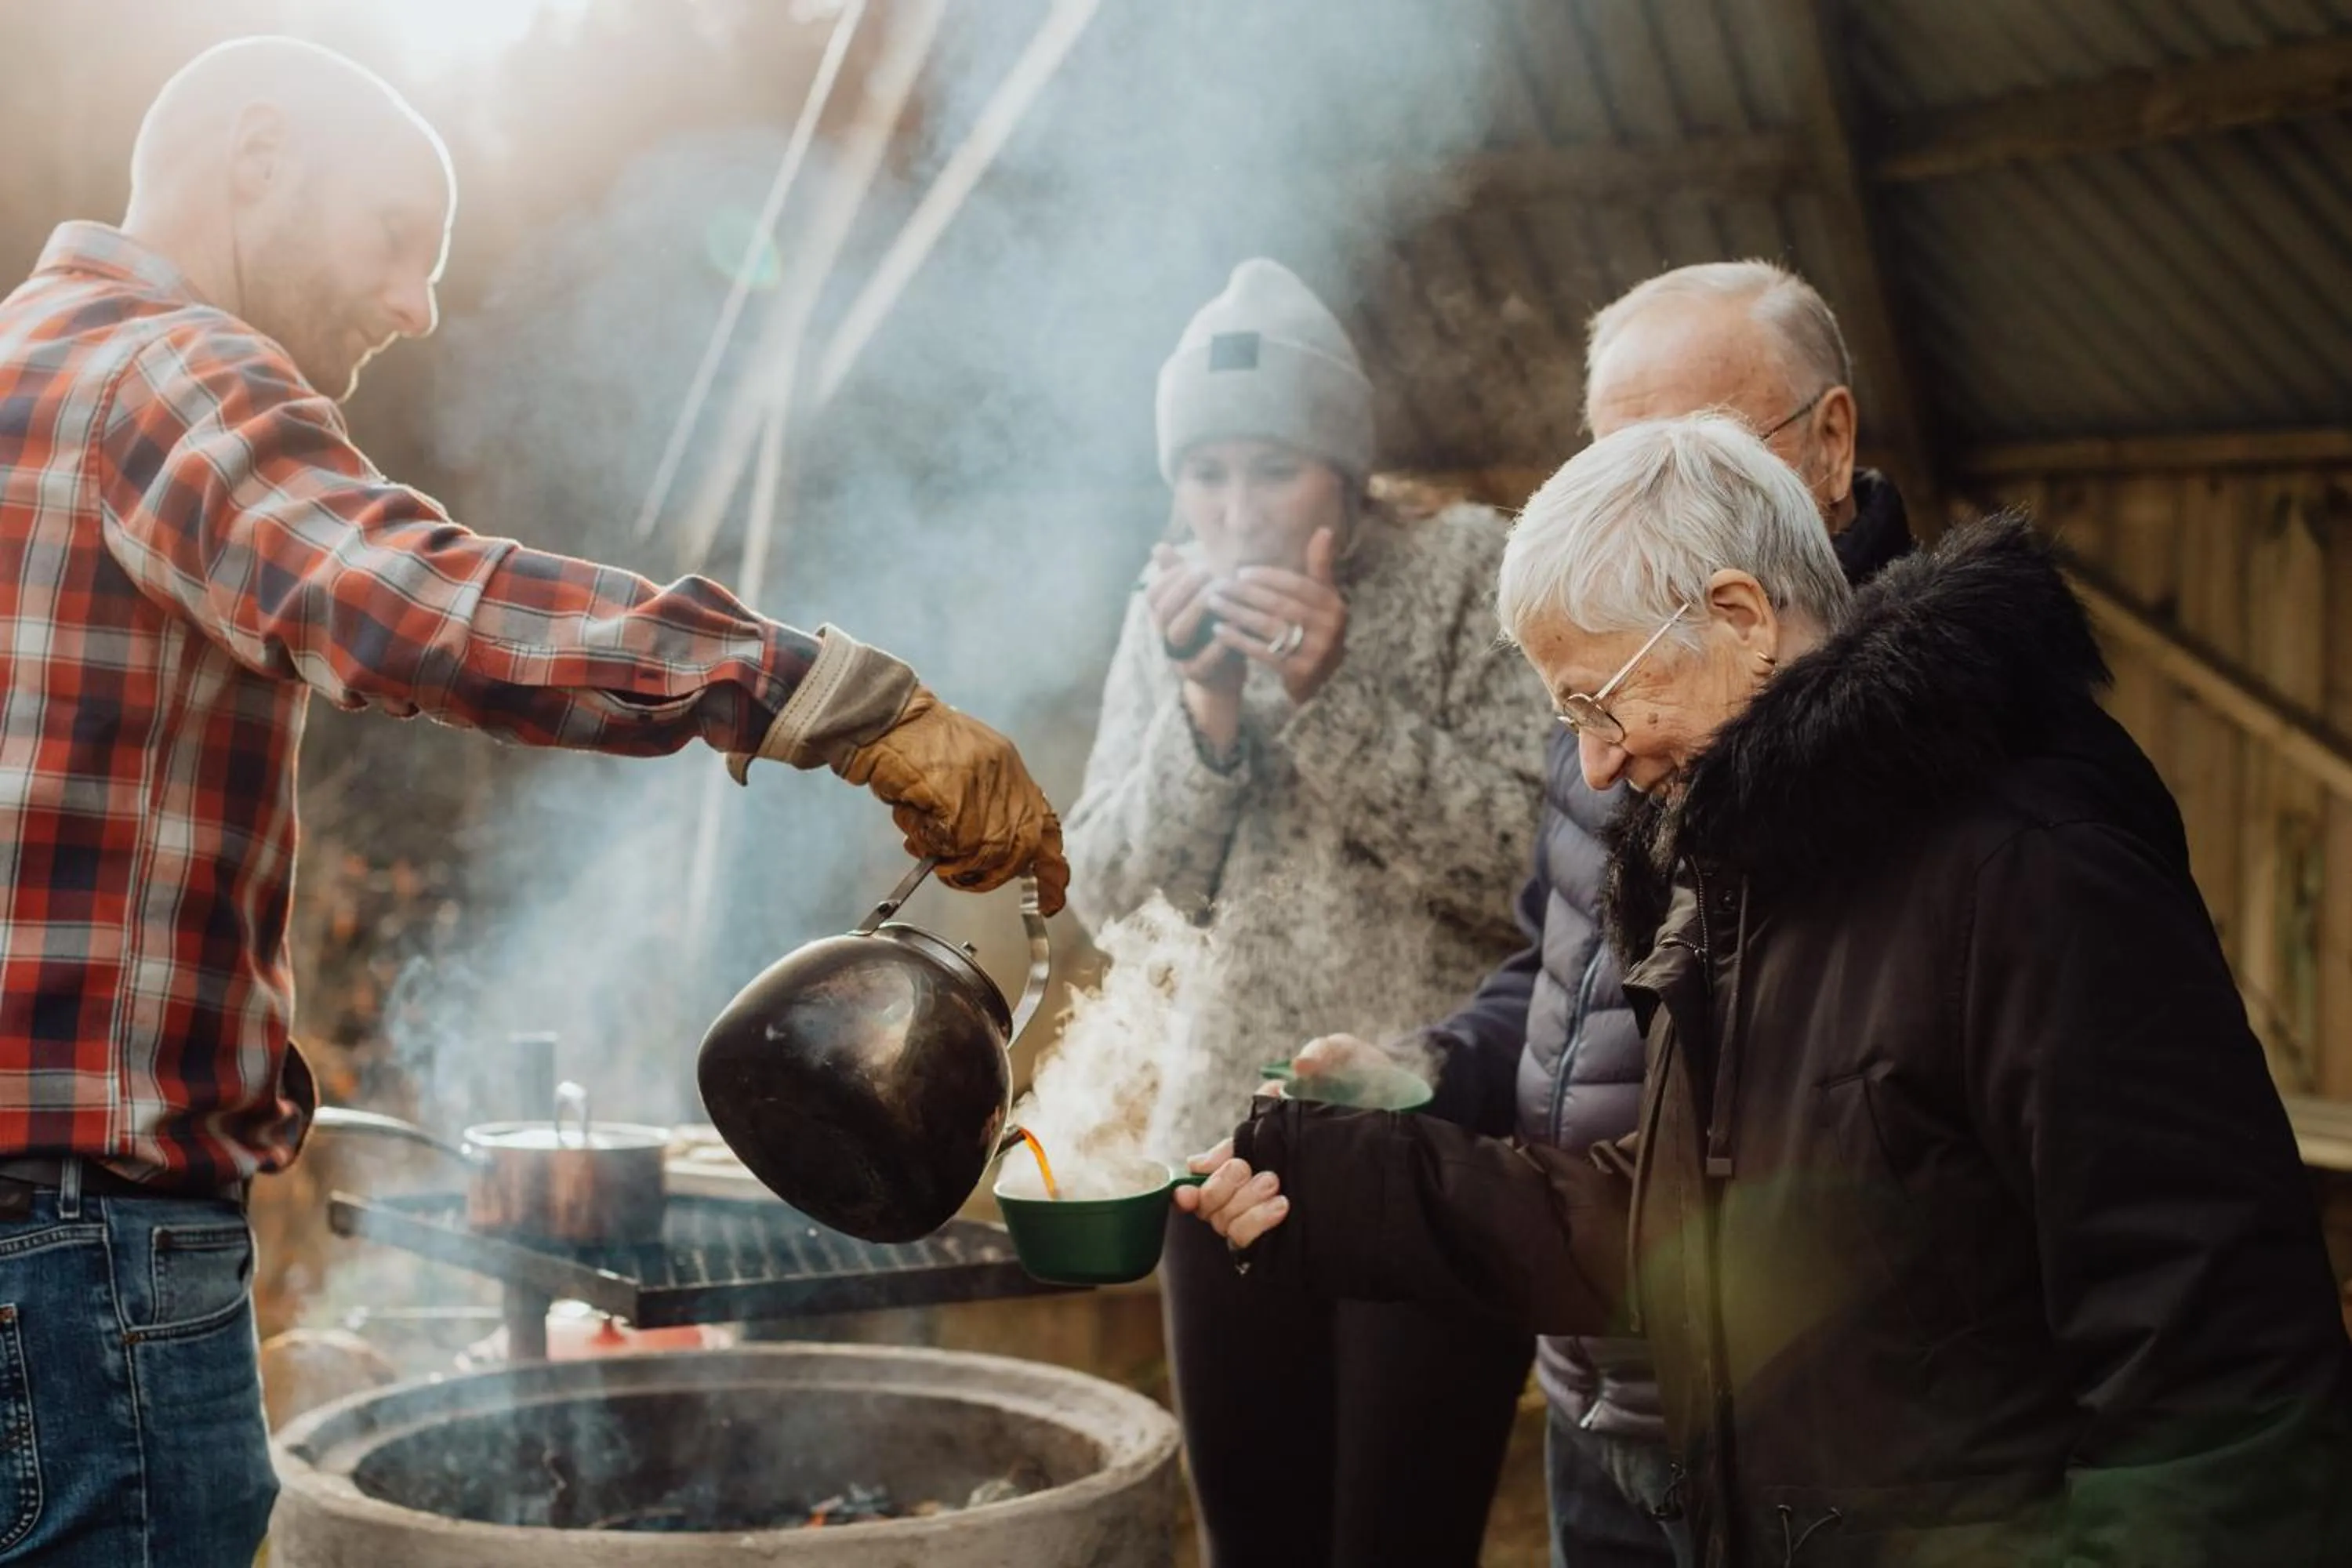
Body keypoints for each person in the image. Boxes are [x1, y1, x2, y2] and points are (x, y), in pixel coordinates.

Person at [0, 37, 1065, 1567]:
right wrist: (828, 697)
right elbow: (416, 608)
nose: (413, 306)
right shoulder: (167, 371)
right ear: (253, 163)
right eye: (390, 238)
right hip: (81, 1249)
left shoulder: (23, 361)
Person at [1185, 416, 2352, 1566]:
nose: (1594, 763)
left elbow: (2218, 1365)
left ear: (1741, 619)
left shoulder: (2033, 866)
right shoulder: (1746, 864)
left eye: (1600, 701)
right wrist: (1345, 1186)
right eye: (1568, 719)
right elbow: (1696, 1228)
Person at [1295, 260, 1908, 1568]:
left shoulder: (1914, 737)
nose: (1648, 502)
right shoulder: (1613, 688)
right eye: (1616, 461)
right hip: (1591, 1383)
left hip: (1787, 1412)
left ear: (1833, 439)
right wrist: (1435, 1068)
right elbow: (1556, 965)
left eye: (1703, 449)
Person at [1063, 257, 1548, 1566]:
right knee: (1252, 1543)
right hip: (1221, 1154)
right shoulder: (1160, 614)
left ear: (1344, 469)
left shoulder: (1471, 571)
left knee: (1402, 1542)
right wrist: (1206, 711)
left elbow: (1532, 864)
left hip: (1424, 1144)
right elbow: (1110, 899)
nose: (1237, 513)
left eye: (1271, 469)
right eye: (1204, 475)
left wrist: (1329, 690)